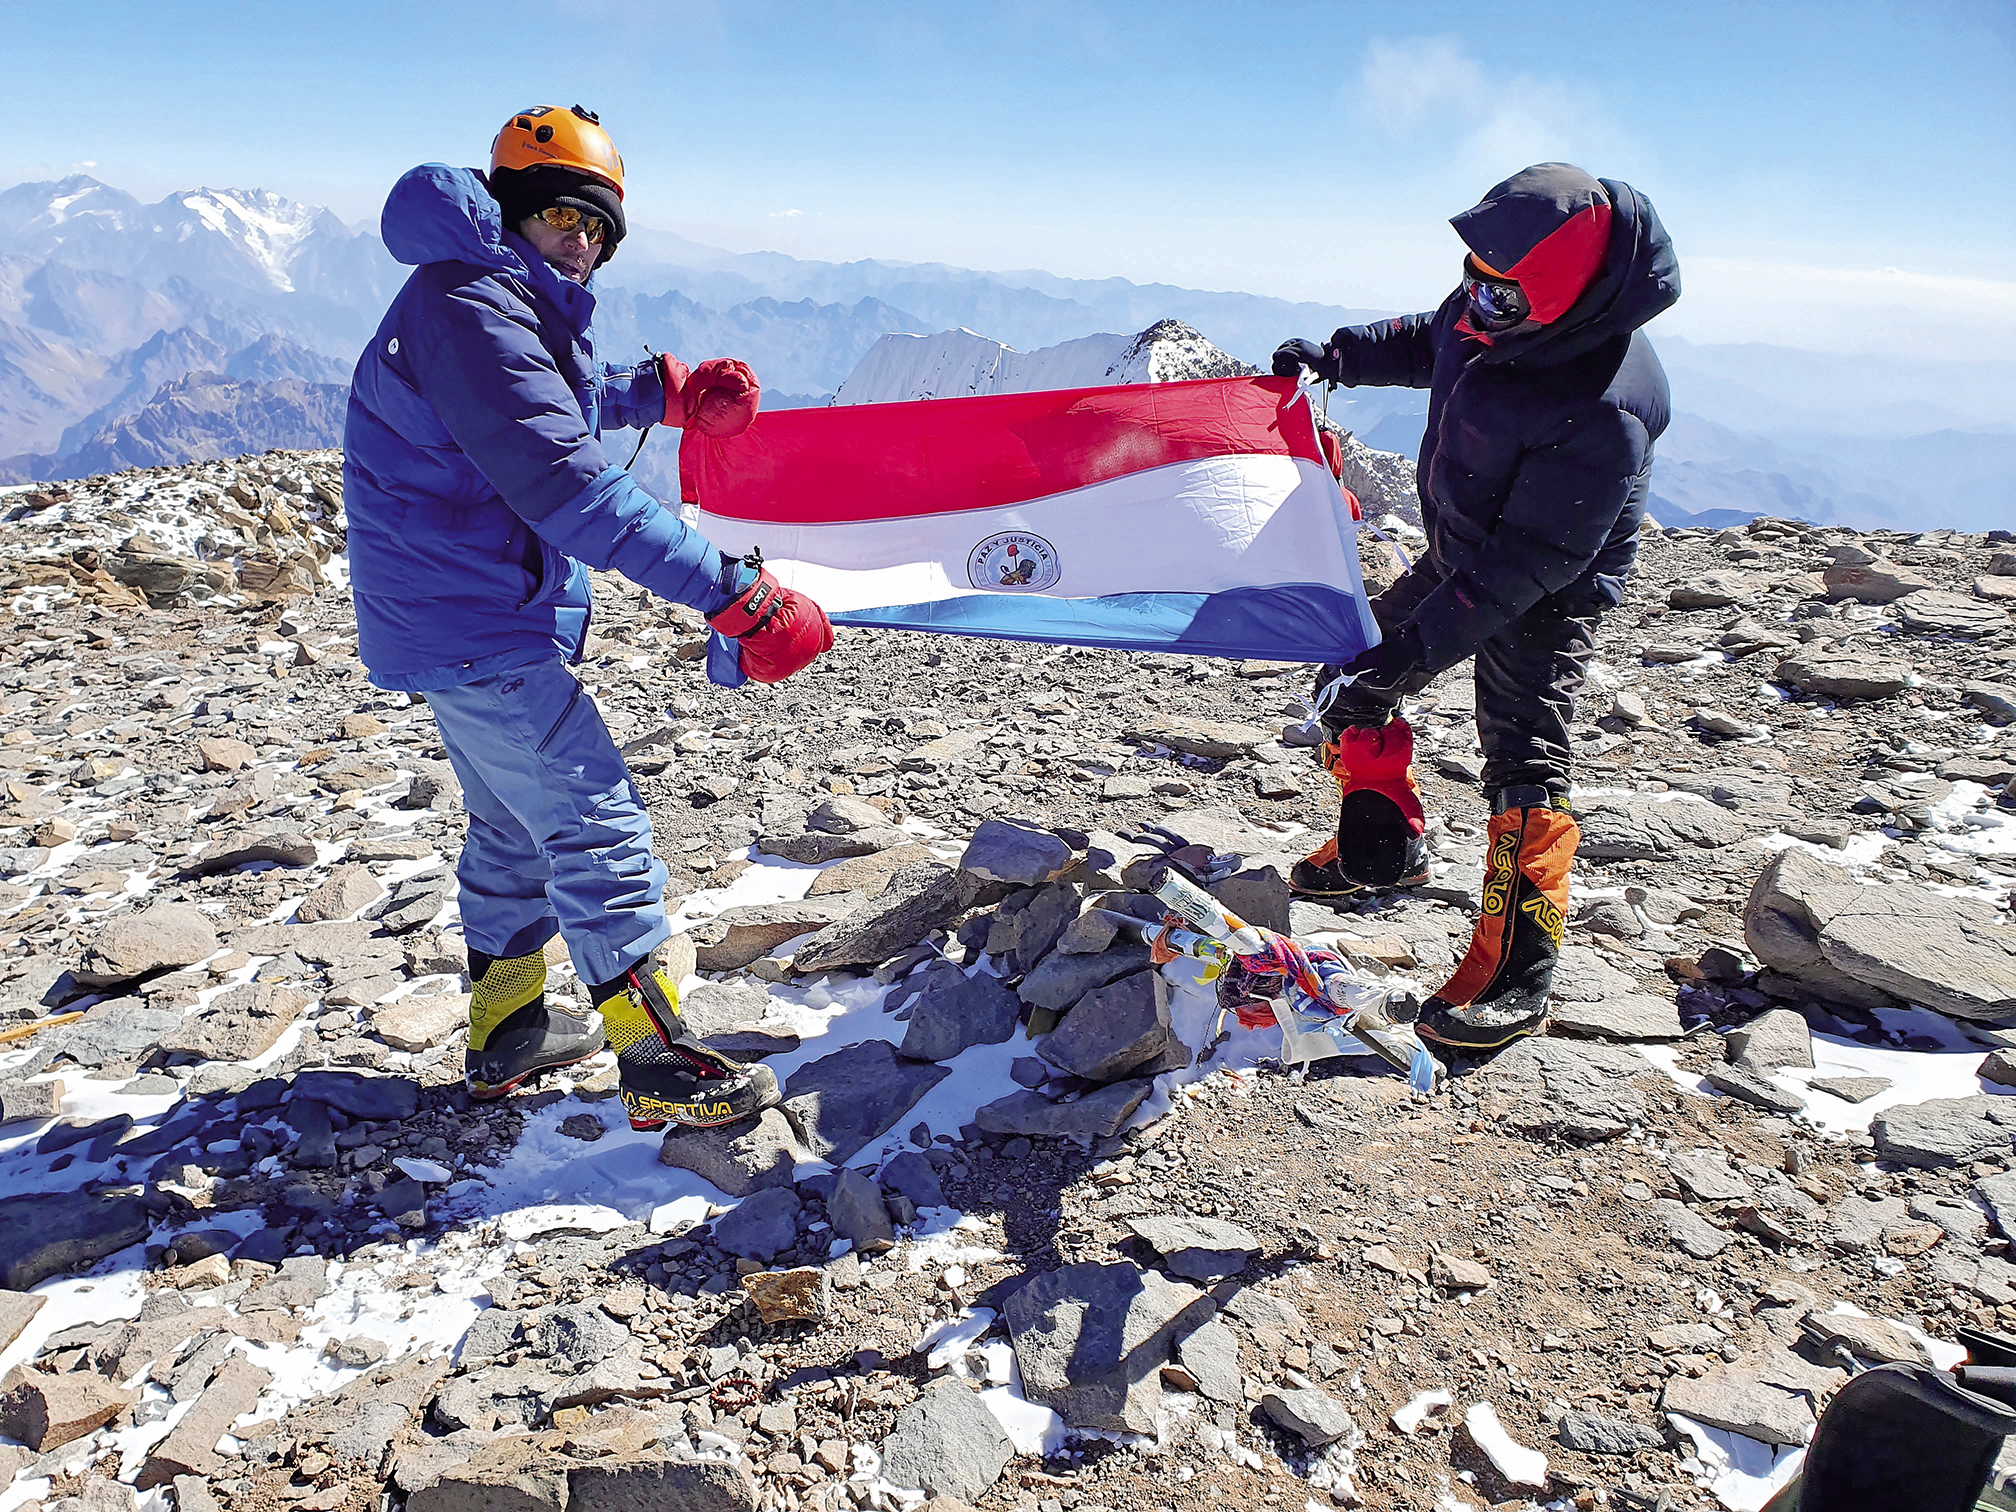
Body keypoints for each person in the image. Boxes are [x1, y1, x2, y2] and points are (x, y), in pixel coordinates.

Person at [342, 105, 833, 1130]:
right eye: (566, 217)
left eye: (599, 229)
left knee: (517, 836)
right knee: (592, 817)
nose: (584, 242)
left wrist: (664, 392)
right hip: (476, 622)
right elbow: (567, 486)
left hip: (459, 614)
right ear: (515, 210)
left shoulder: (485, 296)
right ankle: (657, 1062)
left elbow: (542, 399)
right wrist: (741, 596)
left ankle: (508, 1037)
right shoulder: (471, 306)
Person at [1272, 161, 1678, 1052]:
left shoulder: (1604, 407)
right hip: (1465, 548)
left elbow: (1525, 566)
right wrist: (1341, 352)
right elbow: (1433, 337)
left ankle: (1517, 973)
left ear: (1566, 297)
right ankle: (1382, 846)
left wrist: (1410, 658)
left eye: (1498, 294)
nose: (1475, 302)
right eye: (1474, 280)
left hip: (1546, 589)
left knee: (1522, 754)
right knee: (1353, 660)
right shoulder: (1505, 303)